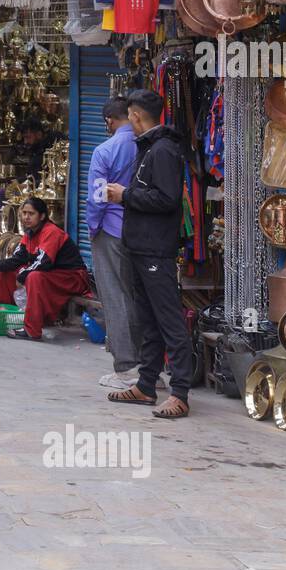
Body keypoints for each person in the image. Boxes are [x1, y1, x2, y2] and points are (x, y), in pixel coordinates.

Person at [104, 89, 194, 420]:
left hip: (156, 248)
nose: (129, 121)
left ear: (137, 116)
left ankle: (181, 392)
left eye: (130, 116)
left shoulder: (164, 150)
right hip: (141, 247)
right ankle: (146, 384)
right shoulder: (151, 148)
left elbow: (167, 199)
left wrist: (126, 195)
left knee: (169, 320)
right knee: (150, 321)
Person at [86, 96, 144, 390]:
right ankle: (148, 368)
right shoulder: (145, 146)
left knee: (115, 297)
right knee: (137, 297)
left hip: (110, 229)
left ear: (109, 121)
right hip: (142, 231)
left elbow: (97, 196)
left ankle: (126, 369)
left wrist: (92, 226)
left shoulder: (104, 150)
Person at [0, 197, 90, 342]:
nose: (26, 217)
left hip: (72, 278)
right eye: (24, 213)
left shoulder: (52, 232)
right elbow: (18, 258)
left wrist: (21, 276)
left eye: (31, 213)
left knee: (33, 277)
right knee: (6, 273)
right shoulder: (29, 234)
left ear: (41, 216)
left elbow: (43, 262)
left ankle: (32, 330)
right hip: (52, 275)